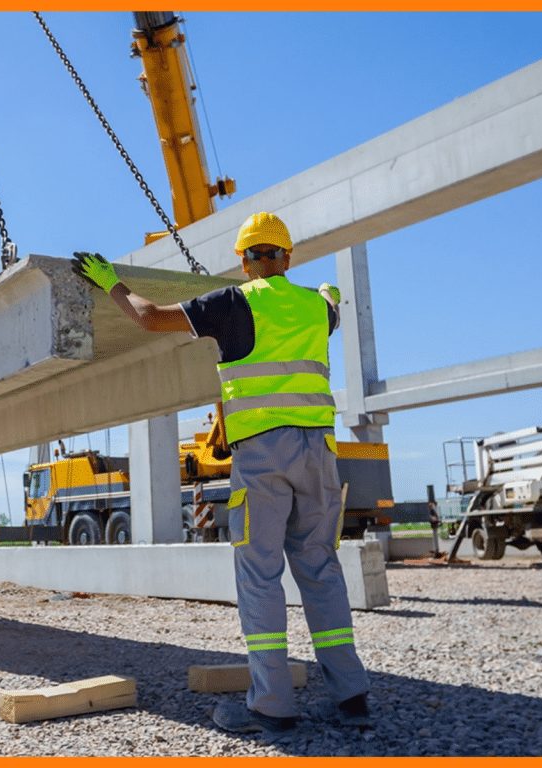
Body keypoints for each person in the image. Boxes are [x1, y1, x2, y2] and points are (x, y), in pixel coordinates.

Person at [71, 211, 371, 736]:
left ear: (243, 260)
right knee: (321, 568)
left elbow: (148, 316)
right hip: (319, 452)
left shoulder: (233, 302)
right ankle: (351, 696)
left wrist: (110, 282)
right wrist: (331, 297)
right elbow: (333, 314)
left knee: (259, 575)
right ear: (287, 256)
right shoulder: (314, 307)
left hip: (264, 455)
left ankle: (272, 706)